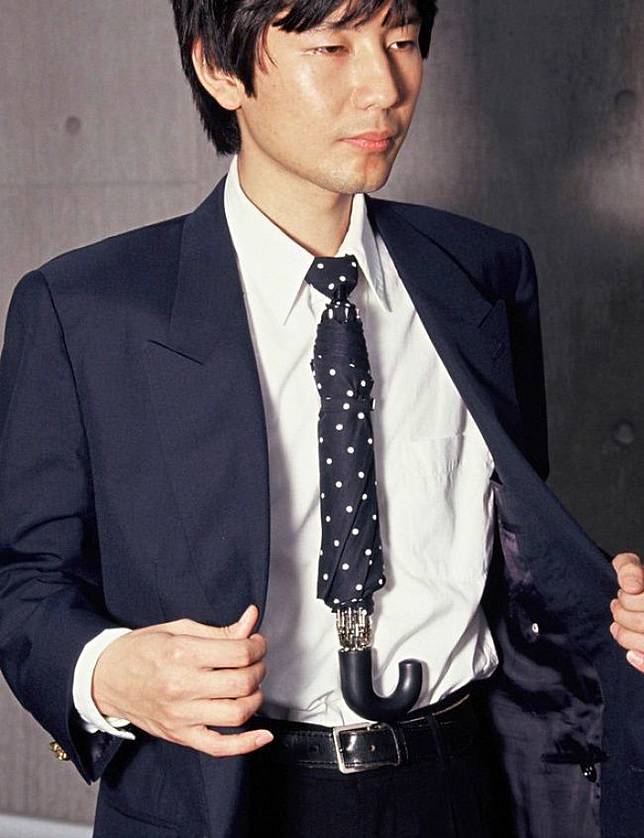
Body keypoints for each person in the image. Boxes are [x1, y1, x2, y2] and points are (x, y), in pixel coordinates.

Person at [0, 1, 642, 836]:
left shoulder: (484, 272)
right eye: (332, 46)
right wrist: (106, 671)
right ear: (218, 68)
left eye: (402, 40)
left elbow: (519, 554)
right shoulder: (85, 308)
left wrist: (612, 608)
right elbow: (24, 579)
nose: (384, 86)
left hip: (461, 788)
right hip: (223, 800)